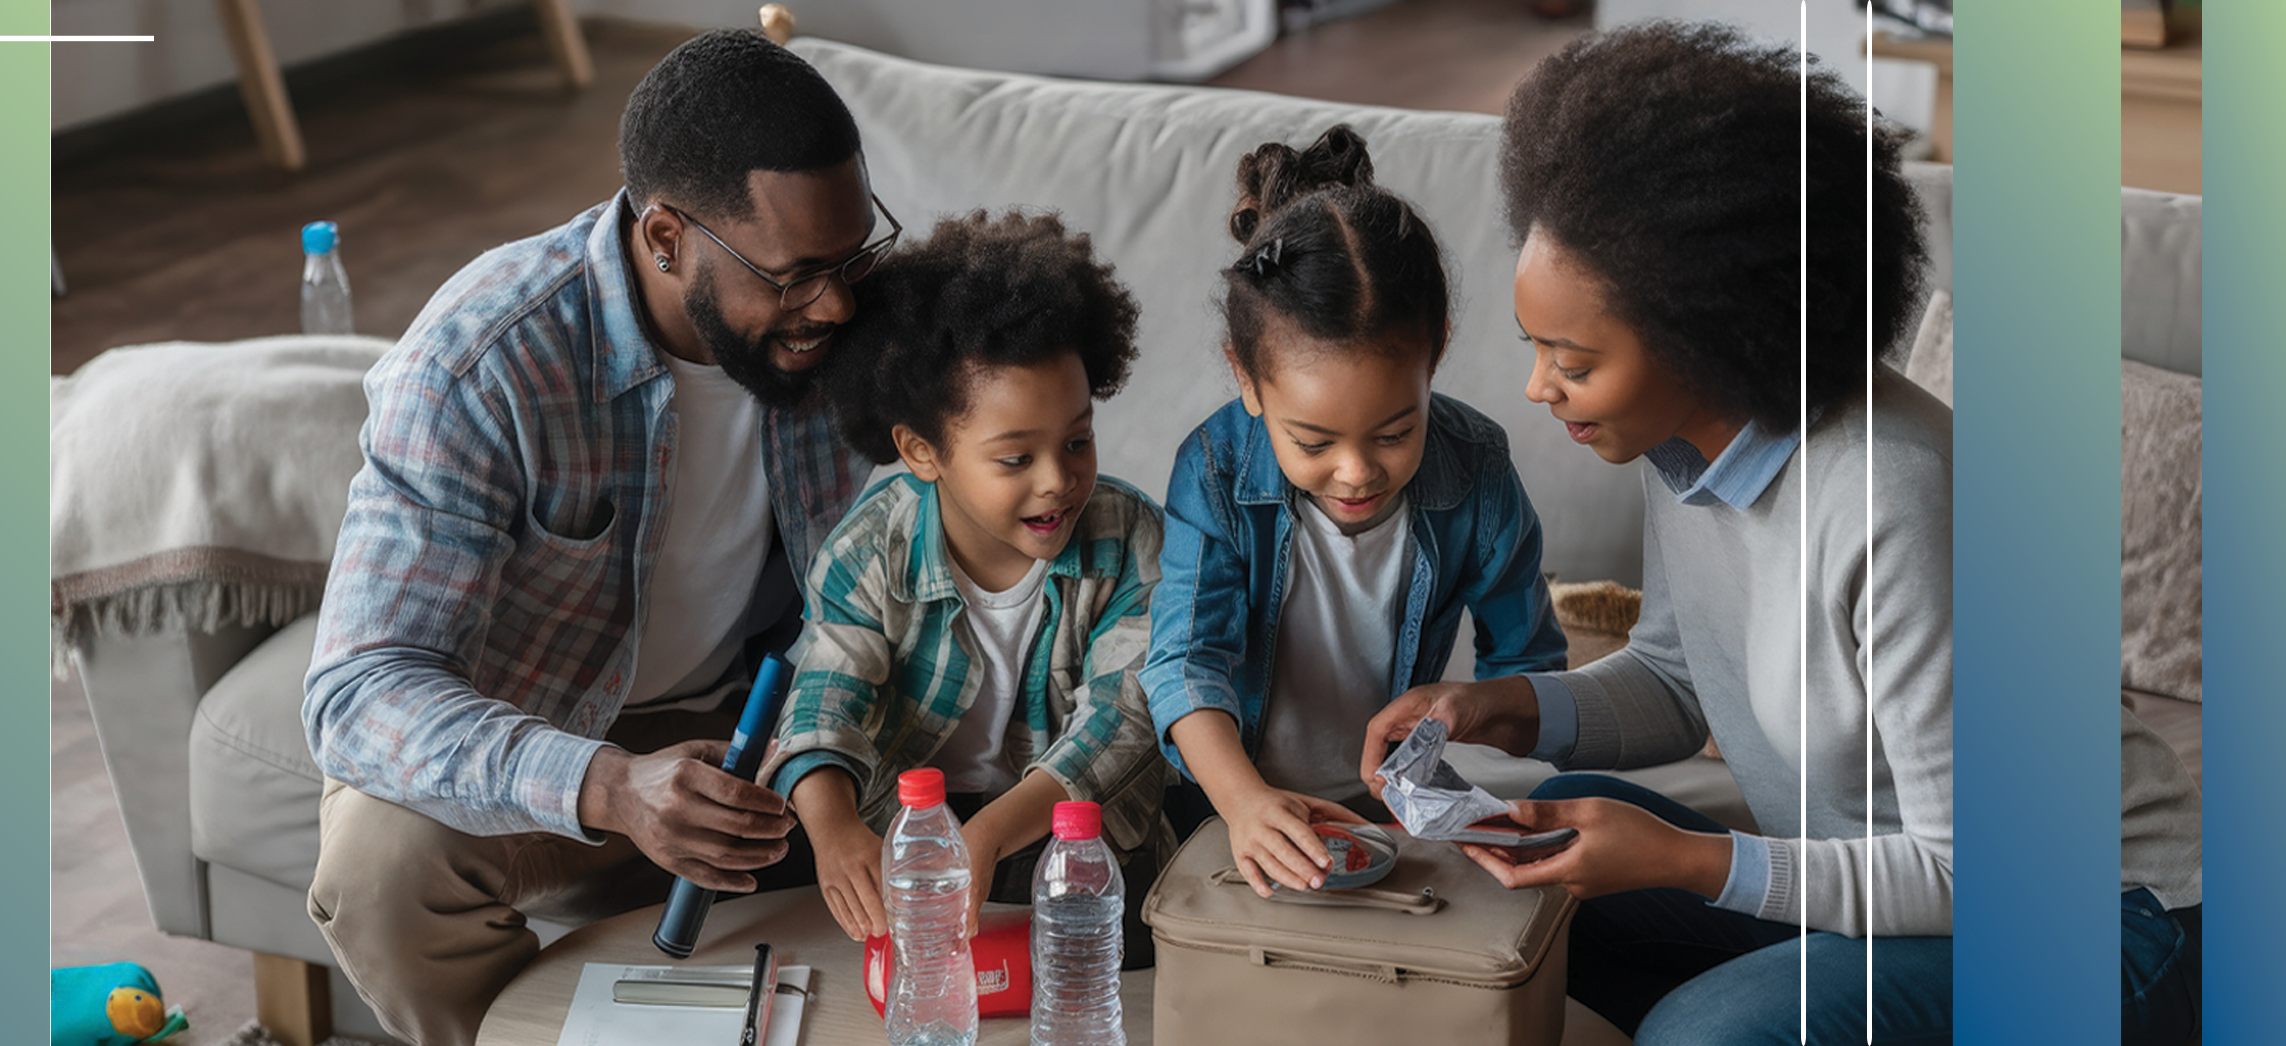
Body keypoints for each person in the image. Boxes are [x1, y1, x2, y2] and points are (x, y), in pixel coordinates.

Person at [1352, 22, 2201, 1045]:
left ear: (1703, 330)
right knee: (1549, 839)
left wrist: (1686, 858)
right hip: (1895, 902)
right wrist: (1497, 706)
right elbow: (1676, 679)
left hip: (2105, 924)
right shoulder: (1684, 445)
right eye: (1538, 350)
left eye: (1571, 361)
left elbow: (1975, 870)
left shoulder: (1894, 496)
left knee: (1705, 1033)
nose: (1539, 389)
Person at [299, 29, 900, 1045]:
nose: (835, 303)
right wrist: (610, 783)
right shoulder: (480, 364)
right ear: (665, 239)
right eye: (795, 275)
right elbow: (358, 692)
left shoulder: (849, 313)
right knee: (379, 871)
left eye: (851, 258)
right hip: (548, 741)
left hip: (767, 725)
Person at [1137, 126, 1568, 898]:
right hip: (1224, 799)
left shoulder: (1477, 471)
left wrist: (1467, 715)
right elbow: (1184, 662)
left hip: (1391, 812)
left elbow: (1530, 669)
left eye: (1396, 431)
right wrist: (1244, 803)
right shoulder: (1215, 470)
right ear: (1249, 379)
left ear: (1436, 350)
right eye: (1312, 441)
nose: (1358, 470)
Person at [754, 210, 1168, 950]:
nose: (1058, 481)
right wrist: (835, 827)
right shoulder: (867, 550)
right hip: (911, 831)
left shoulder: (1129, 536)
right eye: (1015, 459)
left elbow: (1120, 720)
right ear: (921, 451)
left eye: (1078, 440)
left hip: (1068, 832)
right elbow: (824, 694)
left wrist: (986, 836)